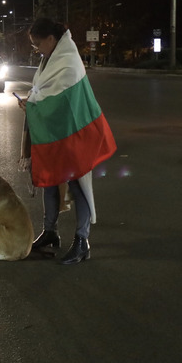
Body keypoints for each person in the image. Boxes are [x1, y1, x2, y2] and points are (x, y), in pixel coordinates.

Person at [17, 17, 117, 264]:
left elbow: (61, 100)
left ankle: (82, 241)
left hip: (74, 135)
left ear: (51, 39)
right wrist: (31, 102)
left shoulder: (69, 61)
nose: (36, 49)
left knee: (77, 184)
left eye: (37, 44)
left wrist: (32, 104)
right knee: (50, 182)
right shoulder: (48, 59)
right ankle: (50, 232)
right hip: (55, 134)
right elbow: (43, 92)